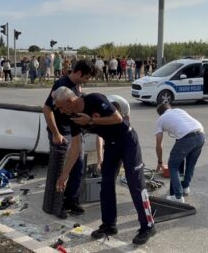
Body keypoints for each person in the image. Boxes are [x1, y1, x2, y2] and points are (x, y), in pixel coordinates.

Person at [53, 87, 157, 245]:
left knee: (136, 184)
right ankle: (109, 225)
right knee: (106, 185)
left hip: (127, 140)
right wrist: (64, 174)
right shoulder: (72, 117)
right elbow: (75, 147)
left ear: (69, 101)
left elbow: (117, 118)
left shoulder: (94, 99)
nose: (60, 111)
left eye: (60, 107)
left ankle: (148, 226)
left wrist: (90, 120)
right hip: (111, 145)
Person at [42, 59, 95, 218]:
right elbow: (47, 109)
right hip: (61, 133)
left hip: (75, 132)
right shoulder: (61, 84)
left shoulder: (78, 85)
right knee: (62, 169)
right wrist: (56, 133)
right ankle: (59, 204)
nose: (88, 81)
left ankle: (72, 200)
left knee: (78, 167)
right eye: (86, 77)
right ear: (79, 73)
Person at [154, 103, 205, 203]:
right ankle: (185, 188)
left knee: (173, 165)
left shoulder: (161, 119)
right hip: (201, 135)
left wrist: (160, 161)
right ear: (170, 108)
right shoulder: (179, 110)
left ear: (160, 114)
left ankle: (178, 197)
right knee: (190, 164)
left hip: (186, 138)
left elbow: (159, 144)